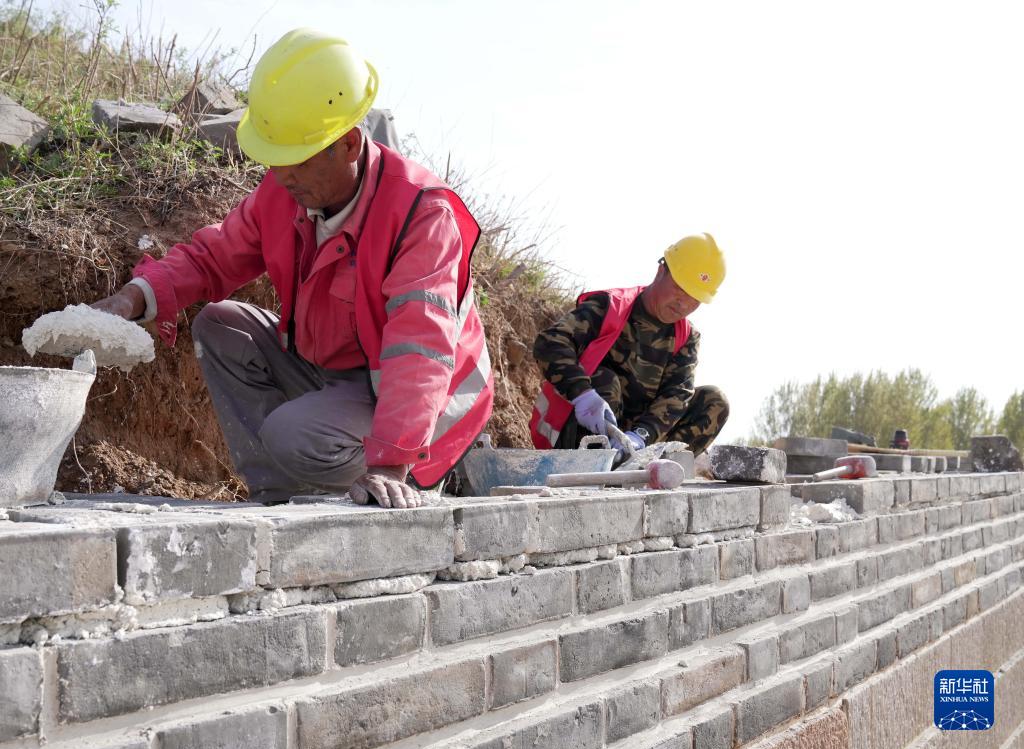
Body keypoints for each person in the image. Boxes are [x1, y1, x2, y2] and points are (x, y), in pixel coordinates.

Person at [91, 29, 493, 508]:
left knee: (292, 435)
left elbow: (419, 347)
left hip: (430, 410)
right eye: (274, 159)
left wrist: (391, 463)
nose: (281, 176)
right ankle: (278, 498)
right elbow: (214, 256)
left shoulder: (421, 216)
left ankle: (397, 483)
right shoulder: (287, 193)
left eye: (296, 160)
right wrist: (133, 297)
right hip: (341, 376)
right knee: (219, 325)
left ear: (349, 144)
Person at [530, 234, 728, 456]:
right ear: (661, 271)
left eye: (695, 298)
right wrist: (582, 394)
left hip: (636, 442)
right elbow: (550, 341)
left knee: (714, 401)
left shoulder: (686, 337)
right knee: (606, 380)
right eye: (680, 288)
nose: (684, 304)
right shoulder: (611, 307)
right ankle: (596, 463)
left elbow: (677, 394)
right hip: (582, 431)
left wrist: (641, 436)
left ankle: (647, 465)